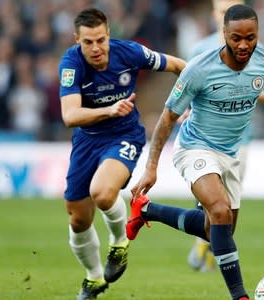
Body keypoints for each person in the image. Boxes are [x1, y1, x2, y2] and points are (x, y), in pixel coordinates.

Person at [128, 4, 264, 300]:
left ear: (257, 35)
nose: (243, 44)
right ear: (223, 33)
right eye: (236, 37)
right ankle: (240, 296)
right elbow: (167, 118)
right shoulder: (199, 68)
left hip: (231, 153)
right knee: (221, 211)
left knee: (217, 231)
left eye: (250, 38)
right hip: (194, 147)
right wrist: (151, 167)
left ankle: (147, 211)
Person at [58, 8, 186, 300]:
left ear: (109, 35)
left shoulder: (129, 52)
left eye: (101, 40)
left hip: (124, 135)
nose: (96, 48)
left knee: (102, 193)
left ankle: (119, 243)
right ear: (77, 40)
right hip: (87, 141)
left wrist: (197, 94)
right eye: (88, 42)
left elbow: (179, 65)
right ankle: (93, 279)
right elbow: (70, 115)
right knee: (78, 219)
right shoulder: (71, 63)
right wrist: (109, 109)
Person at [184, 0, 257, 273]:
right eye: (224, 11)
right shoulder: (200, 50)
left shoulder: (254, 51)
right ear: (216, 15)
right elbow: (187, 88)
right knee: (212, 198)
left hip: (240, 139)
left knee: (229, 201)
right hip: (203, 138)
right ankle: (208, 245)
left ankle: (209, 246)